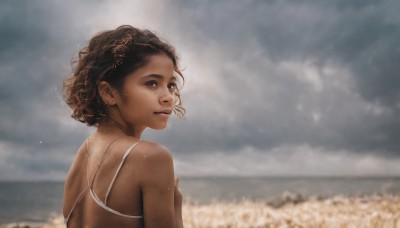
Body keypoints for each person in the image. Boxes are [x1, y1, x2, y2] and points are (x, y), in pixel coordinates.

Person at [61, 25, 186, 228]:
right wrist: (176, 207)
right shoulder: (153, 157)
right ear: (109, 93)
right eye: (152, 83)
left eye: (171, 85)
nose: (168, 98)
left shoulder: (84, 153)